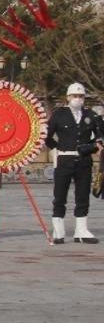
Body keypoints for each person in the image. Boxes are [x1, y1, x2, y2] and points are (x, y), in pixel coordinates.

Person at [47, 82, 103, 244]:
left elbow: (100, 136)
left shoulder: (91, 115)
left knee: (83, 195)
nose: (78, 99)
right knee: (60, 195)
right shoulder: (59, 115)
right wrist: (56, 148)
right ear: (68, 97)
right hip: (64, 159)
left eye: (80, 96)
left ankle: (81, 230)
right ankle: (58, 230)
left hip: (83, 161)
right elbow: (47, 136)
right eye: (74, 96)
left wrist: (92, 147)